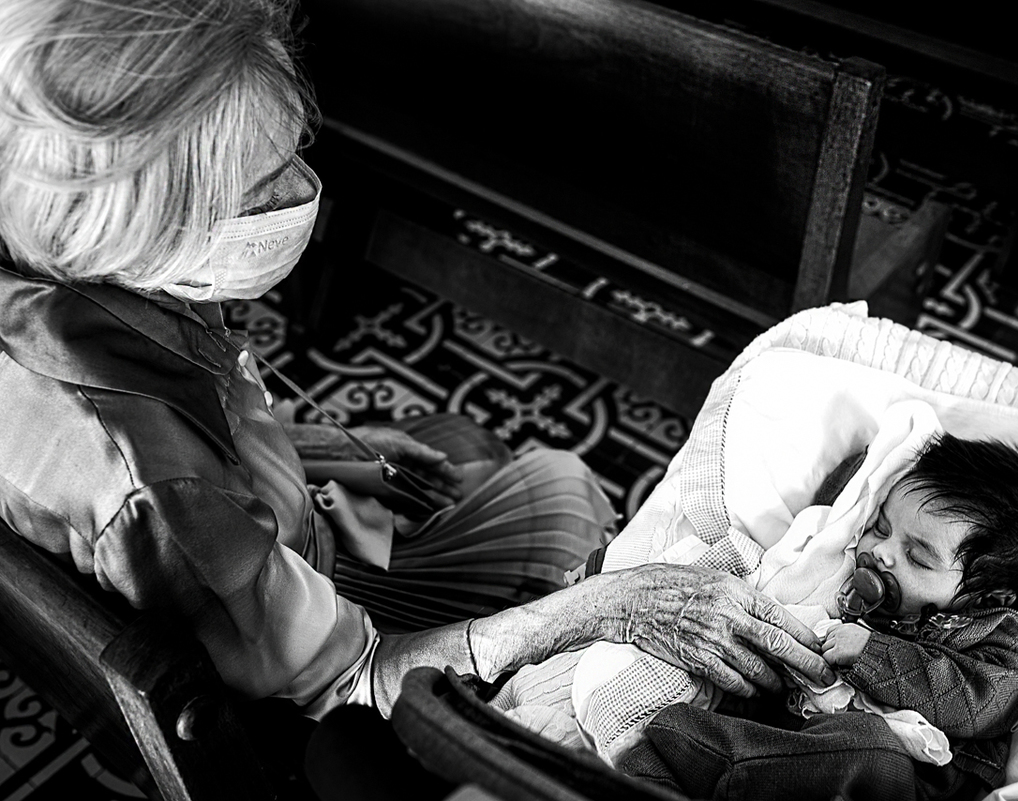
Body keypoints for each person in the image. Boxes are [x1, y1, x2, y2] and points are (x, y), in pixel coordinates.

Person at [0, 0, 833, 742]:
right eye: (259, 188)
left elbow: (187, 446)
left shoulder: (54, 268)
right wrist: (607, 607)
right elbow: (346, 684)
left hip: (260, 564)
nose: (302, 189)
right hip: (321, 689)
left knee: (457, 448)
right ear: (139, 224)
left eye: (293, 153)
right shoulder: (160, 488)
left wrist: (320, 446)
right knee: (564, 497)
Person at [617, 433, 1018, 801]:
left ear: (987, 595)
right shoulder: (848, 589)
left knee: (866, 747)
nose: (881, 552)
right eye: (880, 527)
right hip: (793, 748)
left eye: (918, 558)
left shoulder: (999, 638)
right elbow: (825, 522)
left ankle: (709, 761)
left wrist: (871, 652)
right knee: (665, 740)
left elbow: (979, 703)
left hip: (906, 781)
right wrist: (863, 470)